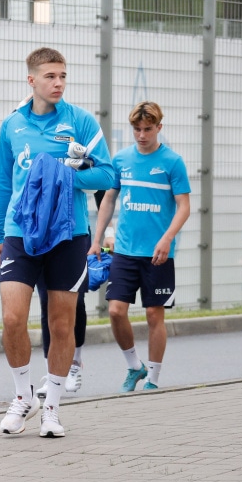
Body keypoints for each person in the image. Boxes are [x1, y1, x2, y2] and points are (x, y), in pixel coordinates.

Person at [0, 47, 114, 438]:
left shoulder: (80, 121)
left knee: (61, 324)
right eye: (50, 76)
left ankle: (52, 409)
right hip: (20, 232)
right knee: (12, 318)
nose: (58, 83)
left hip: (68, 234)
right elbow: (4, 184)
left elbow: (108, 174)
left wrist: (62, 175)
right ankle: (23, 395)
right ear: (32, 80)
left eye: (62, 75)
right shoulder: (12, 125)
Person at [91, 101, 191, 392]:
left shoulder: (172, 162)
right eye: (137, 129)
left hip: (158, 254)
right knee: (115, 311)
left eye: (148, 129)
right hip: (124, 250)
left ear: (159, 127)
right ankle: (135, 366)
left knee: (152, 314)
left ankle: (154, 379)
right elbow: (108, 199)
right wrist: (98, 238)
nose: (142, 135)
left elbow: (184, 207)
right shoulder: (121, 160)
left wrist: (167, 238)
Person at [34, 189, 107, 399]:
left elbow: (101, 187)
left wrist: (106, 233)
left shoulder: (78, 155)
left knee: (76, 302)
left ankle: (74, 363)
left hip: (75, 232)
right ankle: (52, 372)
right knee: (47, 302)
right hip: (41, 232)